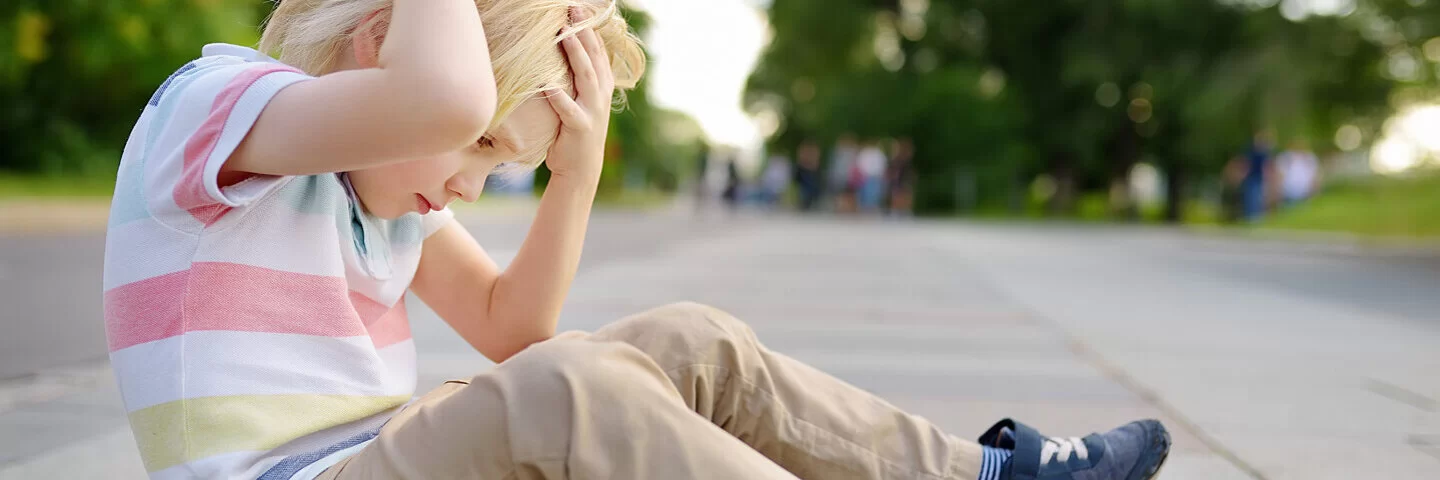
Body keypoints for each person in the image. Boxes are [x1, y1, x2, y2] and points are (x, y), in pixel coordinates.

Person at [101, 0, 1170, 479]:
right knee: (579, 391)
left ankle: (982, 479)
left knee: (685, 341)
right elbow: (432, 98)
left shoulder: (381, 202)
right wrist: (445, 82)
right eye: (475, 143)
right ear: (382, 37)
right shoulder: (219, 108)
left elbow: (515, 328)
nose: (466, 183)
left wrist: (576, 170)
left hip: (389, 463)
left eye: (494, 165)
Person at [1275, 140, 1321, 206]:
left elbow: (1314, 173)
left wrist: (1315, 188)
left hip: (1305, 190)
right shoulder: (1285, 157)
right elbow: (1280, 174)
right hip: (1289, 190)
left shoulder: (1309, 157)